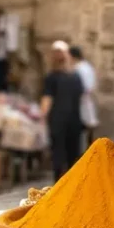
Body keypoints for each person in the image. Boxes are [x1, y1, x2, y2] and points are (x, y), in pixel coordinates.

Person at [41, 42, 85, 179]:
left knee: (58, 154)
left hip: (57, 121)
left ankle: (59, 185)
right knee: (72, 154)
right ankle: (72, 186)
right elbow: (81, 97)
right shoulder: (76, 77)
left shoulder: (51, 77)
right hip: (74, 120)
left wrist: (41, 117)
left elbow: (47, 101)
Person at [69, 45, 99, 144]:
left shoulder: (79, 69)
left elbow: (84, 88)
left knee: (82, 133)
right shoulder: (87, 67)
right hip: (86, 102)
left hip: (82, 103)